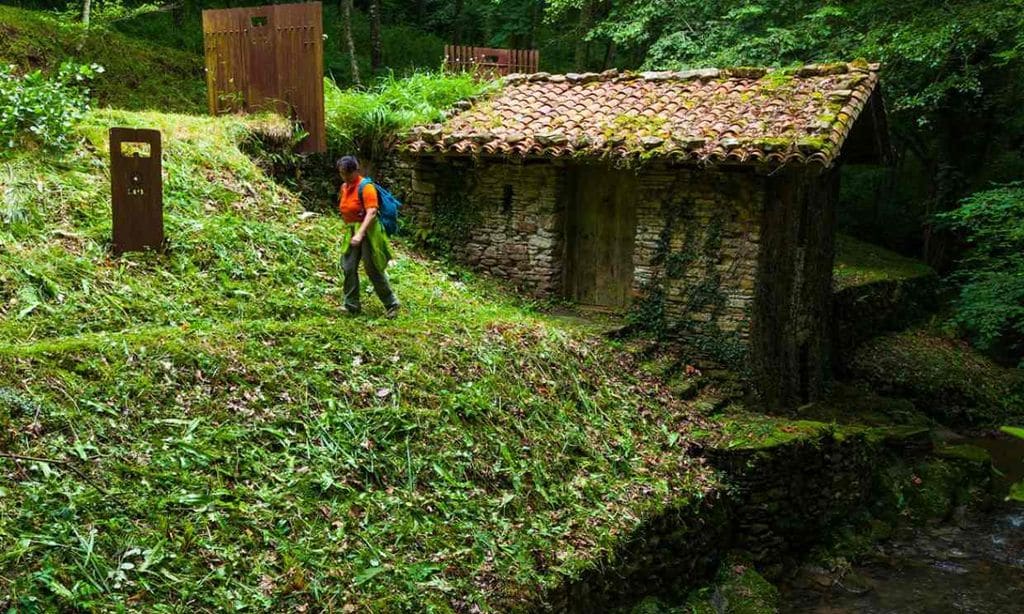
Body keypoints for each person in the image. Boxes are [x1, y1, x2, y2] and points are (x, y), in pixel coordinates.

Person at [336, 155, 400, 318]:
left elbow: (371, 212)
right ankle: (351, 305)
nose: (345, 177)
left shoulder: (366, 187)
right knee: (348, 266)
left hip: (368, 230)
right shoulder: (345, 187)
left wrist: (360, 233)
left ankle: (391, 303)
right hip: (353, 230)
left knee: (372, 268)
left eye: (348, 174)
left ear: (356, 171)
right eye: (342, 173)